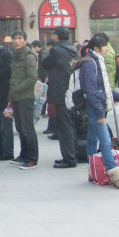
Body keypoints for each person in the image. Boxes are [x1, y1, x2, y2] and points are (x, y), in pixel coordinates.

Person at [80, 35, 119, 190]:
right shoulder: (90, 64)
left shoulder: (96, 61)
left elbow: (103, 87)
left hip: (98, 106)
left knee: (92, 140)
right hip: (96, 108)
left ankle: (92, 172)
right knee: (105, 142)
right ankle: (115, 175)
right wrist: (100, 114)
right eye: (105, 46)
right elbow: (92, 91)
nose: (107, 48)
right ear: (96, 48)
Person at [42, 27, 80, 168]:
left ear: (57, 37)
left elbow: (46, 63)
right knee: (70, 125)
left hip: (60, 91)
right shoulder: (74, 50)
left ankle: (69, 158)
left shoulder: (57, 50)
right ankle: (73, 154)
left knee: (64, 126)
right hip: (72, 91)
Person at [7, 30, 39, 170]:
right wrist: (10, 97)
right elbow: (13, 79)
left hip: (25, 97)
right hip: (15, 97)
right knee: (20, 128)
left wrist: (17, 90)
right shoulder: (15, 56)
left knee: (27, 128)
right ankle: (24, 154)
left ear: (25, 40)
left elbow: (32, 78)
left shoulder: (28, 56)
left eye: (19, 38)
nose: (16, 41)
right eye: (14, 38)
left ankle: (32, 159)